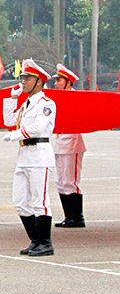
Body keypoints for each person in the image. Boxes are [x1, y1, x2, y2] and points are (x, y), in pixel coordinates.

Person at [2, 59, 57, 257]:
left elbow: (39, 128)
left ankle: (45, 243)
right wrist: (11, 98)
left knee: (39, 201)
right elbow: (8, 121)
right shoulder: (25, 105)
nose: (23, 82)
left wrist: (15, 135)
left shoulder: (46, 104)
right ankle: (35, 240)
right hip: (24, 154)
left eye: (27, 78)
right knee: (20, 202)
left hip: (39, 155)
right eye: (22, 78)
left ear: (39, 81)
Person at [51, 64, 85, 228]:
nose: (56, 84)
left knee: (70, 181)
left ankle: (77, 217)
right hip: (60, 143)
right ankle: (68, 216)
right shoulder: (58, 98)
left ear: (68, 82)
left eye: (59, 80)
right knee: (61, 181)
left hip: (72, 144)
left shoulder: (76, 98)